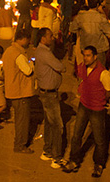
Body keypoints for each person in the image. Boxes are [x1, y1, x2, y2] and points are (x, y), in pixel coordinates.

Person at [63, 46, 110, 177]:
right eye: (84, 55)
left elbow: (109, 90)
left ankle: (99, 164)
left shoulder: (103, 73)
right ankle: (74, 160)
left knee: (99, 139)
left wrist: (100, 100)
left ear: (95, 56)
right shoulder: (83, 67)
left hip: (97, 109)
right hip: (83, 105)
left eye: (88, 55)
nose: (85, 58)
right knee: (76, 135)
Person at [34, 27, 66, 168]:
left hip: (47, 92)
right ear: (43, 38)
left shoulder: (42, 51)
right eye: (50, 36)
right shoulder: (44, 53)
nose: (52, 38)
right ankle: (56, 157)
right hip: (49, 94)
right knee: (58, 126)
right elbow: (60, 66)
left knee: (48, 123)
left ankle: (47, 151)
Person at [3, 30, 36, 153]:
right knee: (22, 120)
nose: (29, 42)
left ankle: (19, 143)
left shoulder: (8, 51)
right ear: (23, 39)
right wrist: (32, 63)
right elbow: (27, 71)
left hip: (12, 90)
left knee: (19, 119)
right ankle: (20, 145)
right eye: (28, 39)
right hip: (20, 92)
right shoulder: (19, 54)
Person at [70, 0, 110, 67]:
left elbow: (72, 29)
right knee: (99, 71)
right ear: (97, 5)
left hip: (85, 48)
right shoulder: (100, 17)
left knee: (88, 71)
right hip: (99, 49)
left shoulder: (81, 16)